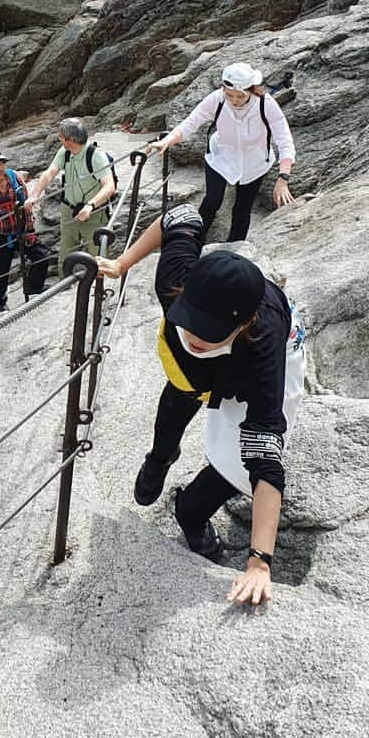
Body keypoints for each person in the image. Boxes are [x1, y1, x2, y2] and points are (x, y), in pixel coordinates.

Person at [97, 202, 307, 606]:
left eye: (208, 331)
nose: (193, 334)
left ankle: (192, 518)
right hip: (201, 366)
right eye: (188, 319)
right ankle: (160, 457)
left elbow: (266, 459)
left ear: (243, 324)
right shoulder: (178, 281)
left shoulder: (262, 351)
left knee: (227, 470)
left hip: (250, 363)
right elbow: (182, 217)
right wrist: (123, 264)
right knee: (182, 390)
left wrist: (259, 562)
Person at [147, 62, 295, 242]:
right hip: (220, 158)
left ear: (252, 90)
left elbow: (284, 140)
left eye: (240, 96)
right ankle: (193, 242)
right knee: (212, 200)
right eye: (229, 94)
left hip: (254, 163)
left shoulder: (266, 104)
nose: (233, 100)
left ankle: (233, 250)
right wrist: (166, 141)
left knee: (242, 208)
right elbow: (190, 123)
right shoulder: (217, 99)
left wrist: (283, 178)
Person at [26, 118, 117, 265]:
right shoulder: (65, 152)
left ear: (71, 139)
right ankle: (65, 284)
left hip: (94, 212)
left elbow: (109, 186)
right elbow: (49, 173)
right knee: (66, 252)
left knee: (97, 254)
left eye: (61, 136)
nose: (58, 138)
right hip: (69, 209)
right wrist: (34, 195)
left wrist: (90, 206)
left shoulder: (96, 156)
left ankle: (98, 285)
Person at [0, 147, 50, 313]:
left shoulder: (14, 178)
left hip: (20, 229)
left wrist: (30, 230)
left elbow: (26, 205)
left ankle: (33, 287)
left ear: (4, 164)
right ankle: (0, 304)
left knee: (42, 256)